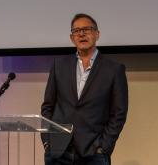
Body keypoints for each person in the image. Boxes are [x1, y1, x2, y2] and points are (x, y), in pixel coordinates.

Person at [41, 13, 128, 165]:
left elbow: (119, 112)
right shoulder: (59, 66)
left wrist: (104, 146)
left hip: (94, 153)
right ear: (71, 38)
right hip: (58, 152)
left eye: (87, 29)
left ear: (97, 34)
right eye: (76, 31)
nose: (81, 34)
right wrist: (47, 142)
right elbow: (48, 106)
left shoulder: (114, 69)